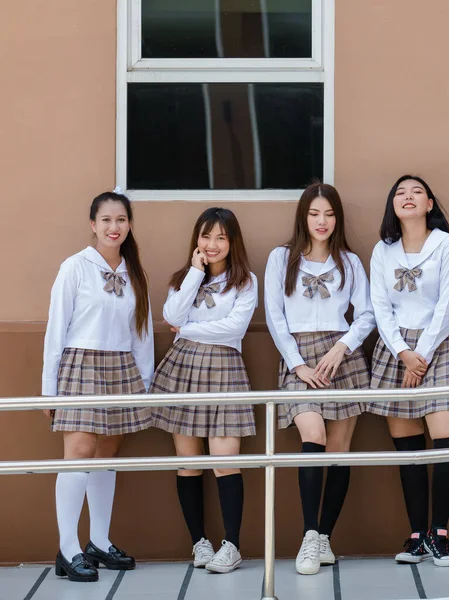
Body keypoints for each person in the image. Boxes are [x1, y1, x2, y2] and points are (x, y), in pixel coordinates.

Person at [42, 189, 154, 582]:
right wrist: (49, 389)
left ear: (129, 225)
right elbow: (57, 328)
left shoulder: (134, 272)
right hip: (81, 364)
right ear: (93, 225)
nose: (114, 227)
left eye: (121, 220)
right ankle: (68, 547)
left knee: (108, 453)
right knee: (80, 451)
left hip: (121, 367)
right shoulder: (74, 267)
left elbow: (141, 334)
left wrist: (145, 381)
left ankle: (99, 541)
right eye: (106, 220)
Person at [264, 182, 375, 575]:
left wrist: (342, 346)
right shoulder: (282, 258)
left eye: (328, 214)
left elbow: (366, 314)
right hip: (298, 359)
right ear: (303, 216)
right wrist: (298, 365)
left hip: (341, 357)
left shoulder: (349, 262)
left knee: (339, 450)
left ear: (337, 218)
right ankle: (309, 537)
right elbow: (275, 316)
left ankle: (325, 537)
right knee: (312, 433)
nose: (322, 221)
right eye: (314, 213)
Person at [366, 174, 449, 567]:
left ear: (429, 204)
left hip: (437, 345)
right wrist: (402, 352)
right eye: (400, 193)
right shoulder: (382, 250)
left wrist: (421, 353)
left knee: (447, 436)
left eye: (417, 192)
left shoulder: (446, 245)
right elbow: (380, 305)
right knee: (408, 446)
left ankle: (439, 534)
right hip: (396, 350)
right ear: (393, 205)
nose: (408, 197)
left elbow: (448, 303)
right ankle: (415, 535)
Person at [150, 207, 257, 574]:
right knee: (189, 462)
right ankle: (199, 541)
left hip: (225, 369)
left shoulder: (245, 282)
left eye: (220, 238)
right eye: (206, 236)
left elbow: (234, 329)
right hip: (184, 369)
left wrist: (189, 329)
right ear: (196, 240)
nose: (212, 245)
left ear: (232, 242)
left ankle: (232, 545)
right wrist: (196, 273)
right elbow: (173, 316)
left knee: (225, 461)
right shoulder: (184, 278)